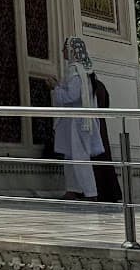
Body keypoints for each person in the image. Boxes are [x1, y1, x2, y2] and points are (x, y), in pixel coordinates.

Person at [50, 37, 104, 200]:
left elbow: (72, 96)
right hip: (77, 121)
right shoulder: (84, 70)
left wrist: (55, 88)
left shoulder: (75, 70)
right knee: (70, 156)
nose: (62, 52)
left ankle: (90, 192)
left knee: (80, 157)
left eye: (65, 49)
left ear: (72, 51)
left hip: (78, 122)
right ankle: (72, 189)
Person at [88, 72, 123, 203]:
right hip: (101, 124)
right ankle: (111, 192)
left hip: (93, 125)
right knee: (105, 157)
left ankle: (99, 191)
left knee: (95, 158)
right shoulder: (101, 86)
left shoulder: (90, 87)